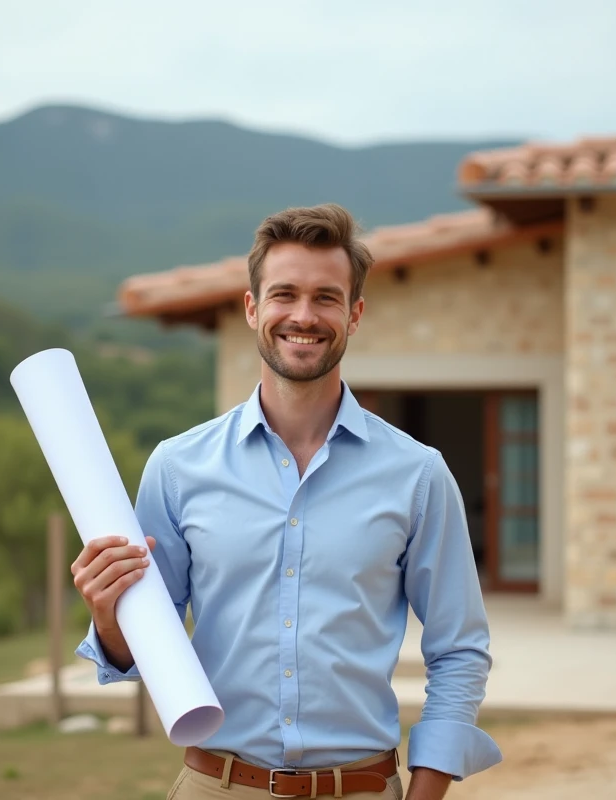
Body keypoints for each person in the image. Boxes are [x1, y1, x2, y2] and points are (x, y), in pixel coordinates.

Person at [71, 203, 502, 799]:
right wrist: (107, 616)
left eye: (326, 297)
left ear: (354, 313)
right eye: (284, 295)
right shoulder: (177, 468)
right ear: (253, 309)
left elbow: (459, 650)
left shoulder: (418, 475)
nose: (304, 315)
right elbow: (147, 640)